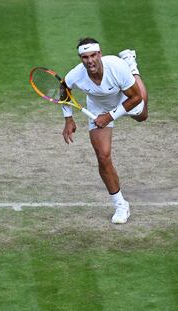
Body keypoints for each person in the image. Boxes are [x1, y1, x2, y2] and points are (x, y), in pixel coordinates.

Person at [61, 37, 148, 224]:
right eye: (85, 57)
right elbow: (64, 89)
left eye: (93, 55)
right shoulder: (75, 75)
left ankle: (132, 66)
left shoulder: (116, 67)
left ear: (100, 54)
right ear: (80, 58)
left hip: (124, 99)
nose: (90, 61)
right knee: (103, 156)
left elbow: (136, 97)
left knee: (142, 115)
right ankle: (120, 205)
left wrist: (109, 117)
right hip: (97, 108)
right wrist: (68, 118)